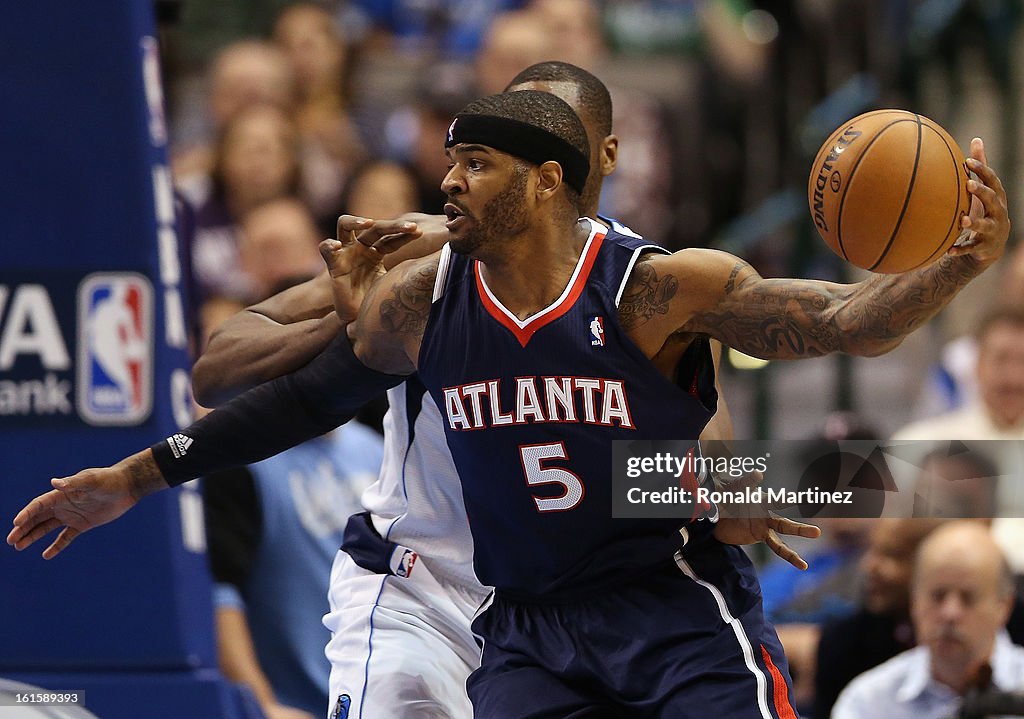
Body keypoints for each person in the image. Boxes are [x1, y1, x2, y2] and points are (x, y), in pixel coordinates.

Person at [8, 90, 1009, 716]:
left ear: (554, 176)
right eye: (449, 161)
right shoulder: (415, 281)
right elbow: (278, 393)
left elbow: (831, 326)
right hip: (498, 609)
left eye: (471, 162)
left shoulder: (650, 286)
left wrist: (958, 264)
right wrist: (133, 476)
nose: (446, 180)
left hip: (662, 606)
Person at [194, 62, 738, 718]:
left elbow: (716, 462)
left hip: (562, 607)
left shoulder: (647, 287)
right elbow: (224, 367)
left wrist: (775, 484)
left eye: (562, 133)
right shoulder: (422, 253)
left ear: (601, 155)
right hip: (424, 592)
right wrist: (352, 319)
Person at [831, 521, 1024, 719]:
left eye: (968, 598)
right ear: (914, 601)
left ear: (1004, 606)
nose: (950, 613)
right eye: (937, 596)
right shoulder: (869, 701)